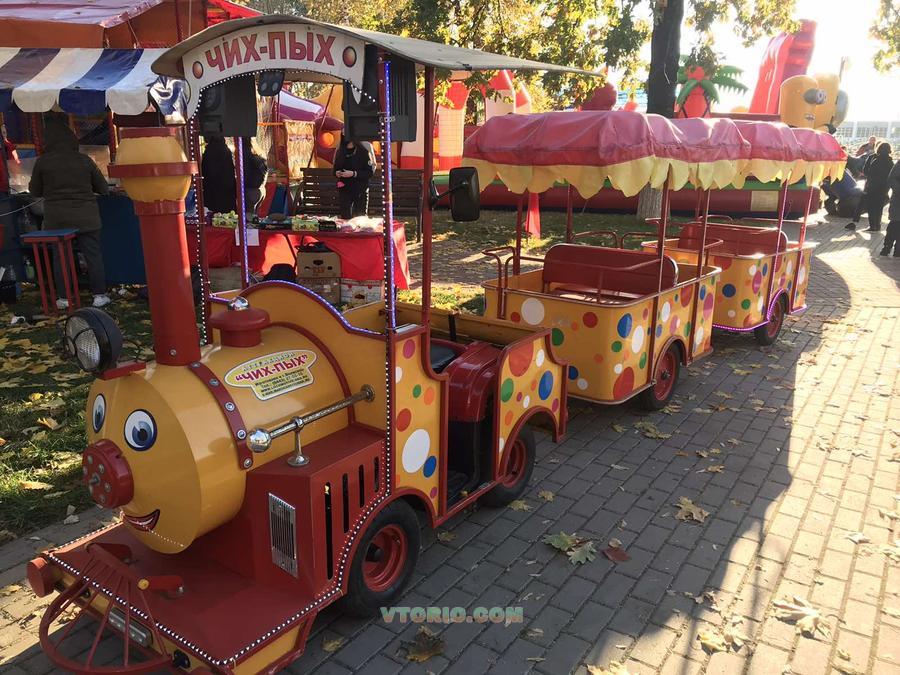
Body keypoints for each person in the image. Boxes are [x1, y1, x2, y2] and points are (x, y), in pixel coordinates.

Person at [28, 121, 110, 309]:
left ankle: (64, 298)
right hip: (87, 217)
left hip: (57, 218)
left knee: (61, 258)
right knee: (93, 256)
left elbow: (35, 191)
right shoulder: (84, 160)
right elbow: (103, 188)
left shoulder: (43, 162)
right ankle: (99, 295)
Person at [847, 142, 894, 231]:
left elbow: (869, 174)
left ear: (879, 149)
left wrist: (867, 187)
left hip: (872, 187)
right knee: (879, 207)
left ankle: (872, 226)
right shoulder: (891, 162)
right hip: (884, 188)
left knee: (871, 206)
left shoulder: (875, 161)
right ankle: (877, 225)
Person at [333, 136, 375, 219]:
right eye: (343, 132)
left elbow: (369, 172)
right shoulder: (340, 150)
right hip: (344, 188)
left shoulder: (364, 150)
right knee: (345, 216)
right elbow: (335, 168)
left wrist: (353, 173)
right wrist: (336, 173)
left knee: (360, 217)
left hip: (360, 189)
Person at [201, 136, 236, 214]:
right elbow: (230, 169)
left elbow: (204, 170)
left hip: (211, 187)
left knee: (213, 212)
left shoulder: (208, 151)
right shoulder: (226, 151)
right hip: (226, 188)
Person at [241, 139, 267, 216]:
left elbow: (246, 174)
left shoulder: (245, 155)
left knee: (249, 218)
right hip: (261, 189)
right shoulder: (259, 153)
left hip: (251, 190)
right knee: (255, 217)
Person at [881, 161, 900, 256]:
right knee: (894, 224)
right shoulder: (899, 165)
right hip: (898, 200)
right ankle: (887, 247)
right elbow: (891, 179)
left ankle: (897, 250)